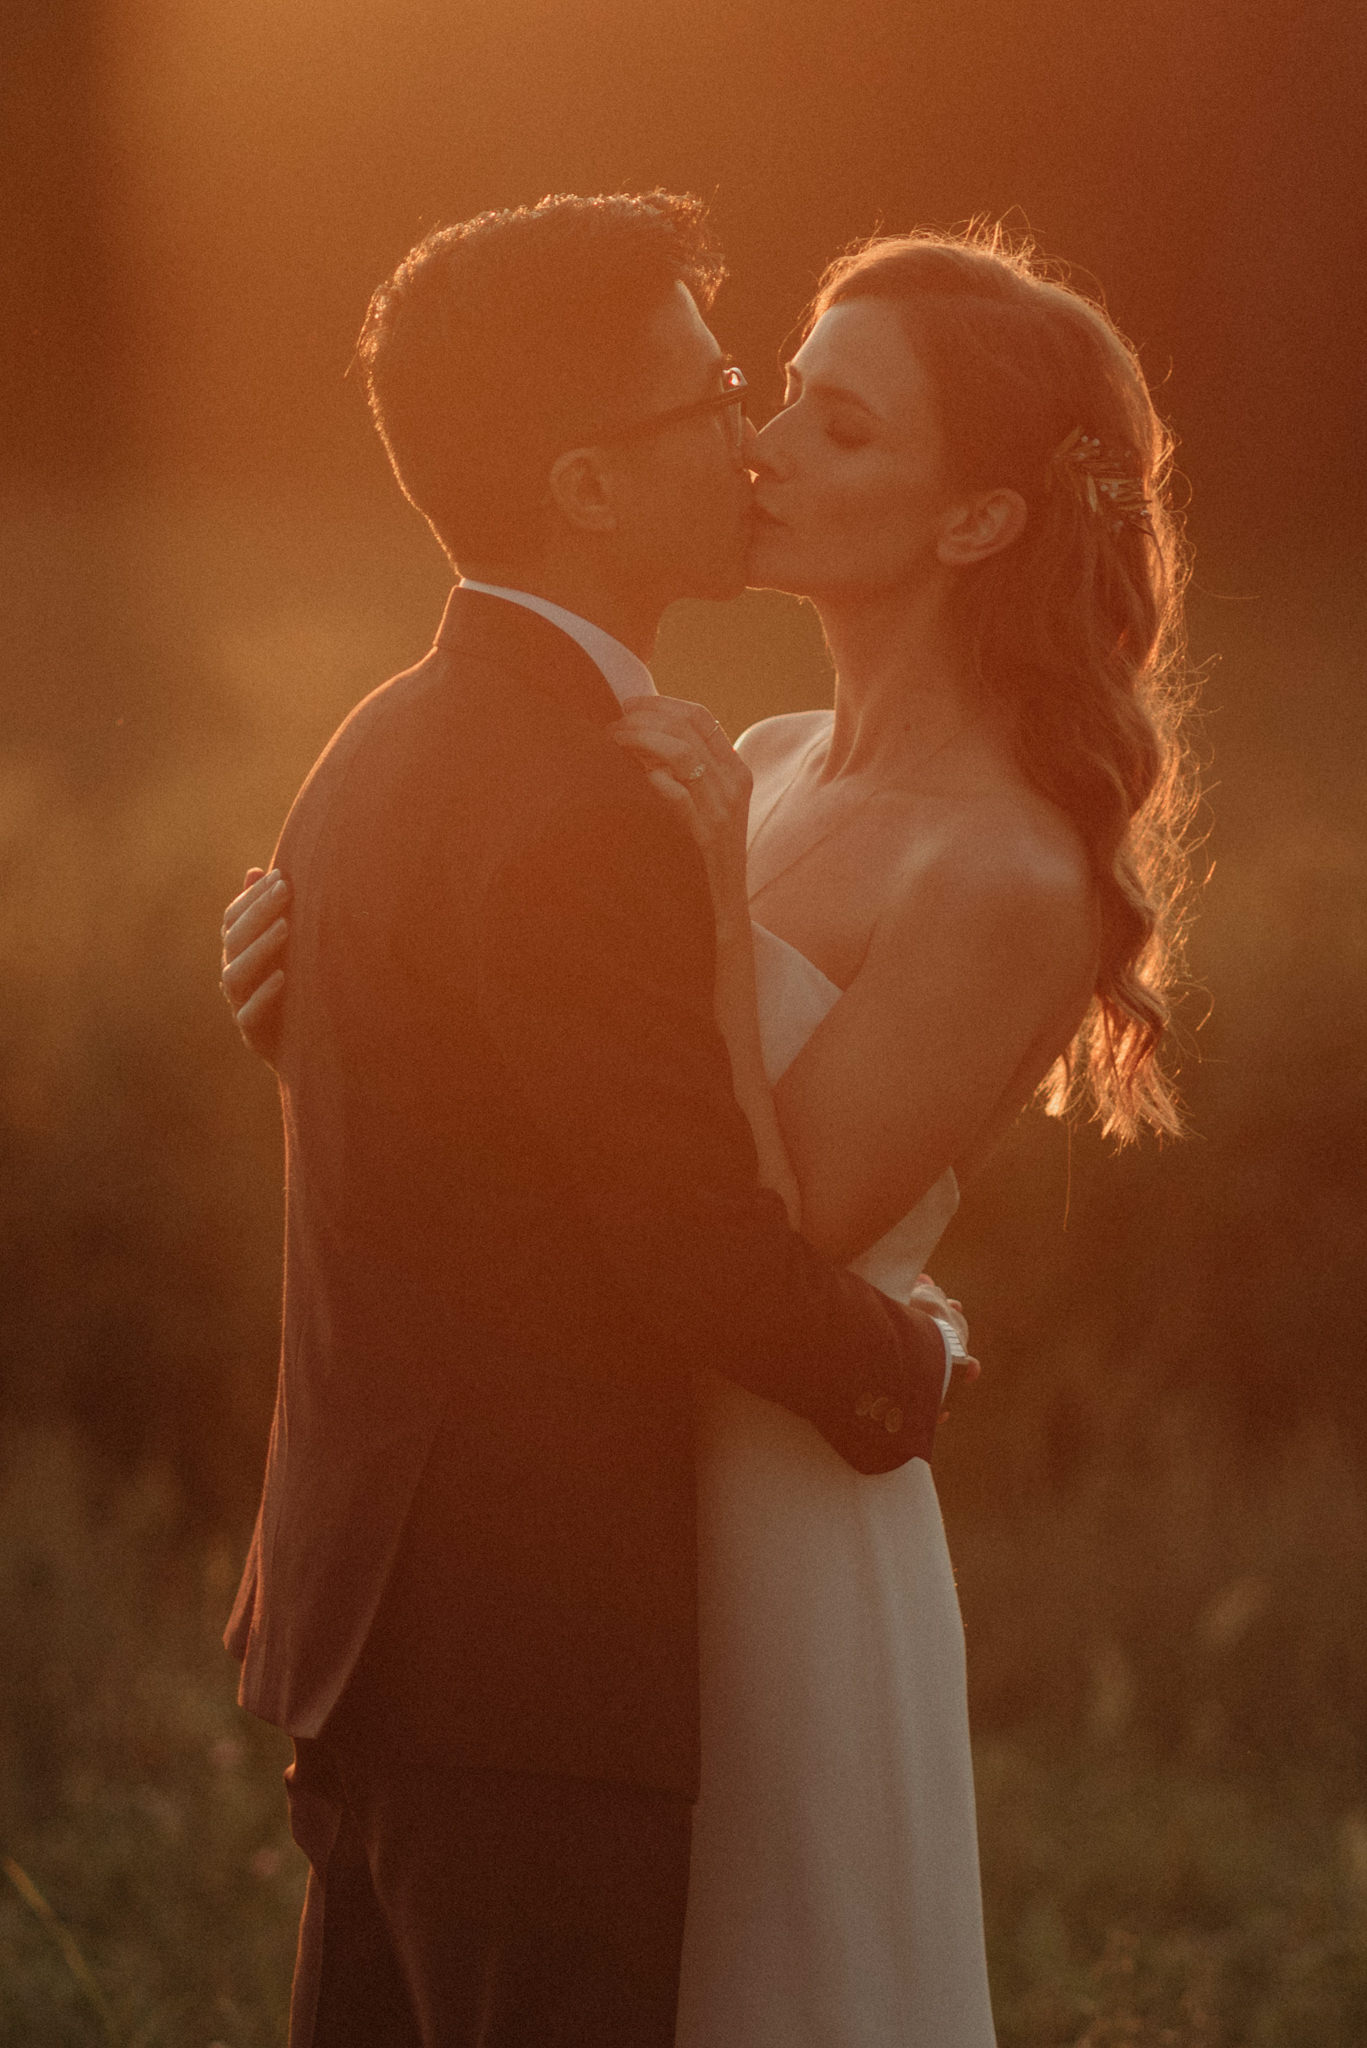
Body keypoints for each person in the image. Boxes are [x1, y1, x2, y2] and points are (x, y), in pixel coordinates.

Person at [224, 218, 1194, 2046]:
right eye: (773, 401)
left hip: (774, 1517)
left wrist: (921, 1358)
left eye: (835, 430)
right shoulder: (739, 757)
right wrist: (331, 997)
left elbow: (789, 1214)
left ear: (975, 521)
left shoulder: (994, 868)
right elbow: (562, 1114)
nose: (760, 450)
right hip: (605, 1508)